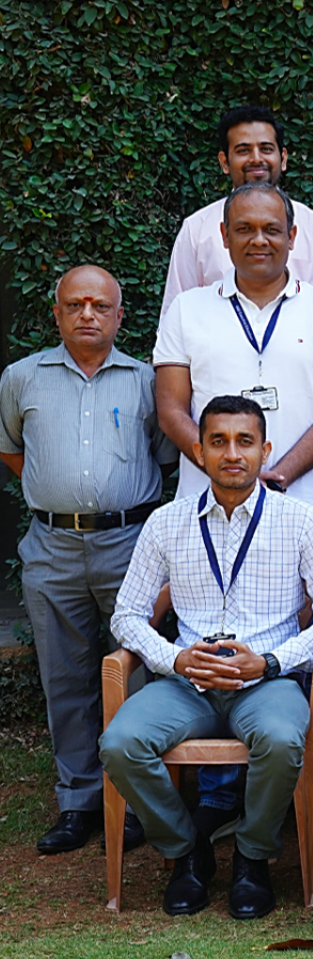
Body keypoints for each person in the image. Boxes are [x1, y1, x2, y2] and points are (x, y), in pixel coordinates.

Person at [100, 396, 313, 919]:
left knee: (284, 739)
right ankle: (186, 852)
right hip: (187, 682)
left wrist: (271, 661)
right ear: (198, 450)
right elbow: (126, 615)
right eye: (218, 441)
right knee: (121, 744)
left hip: (265, 680)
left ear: (266, 450)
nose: (232, 453)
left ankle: (251, 856)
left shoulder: (301, 522)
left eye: (244, 442)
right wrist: (175, 659)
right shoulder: (166, 523)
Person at [154, 181, 313, 836]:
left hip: (303, 501)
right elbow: (171, 409)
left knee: (296, 647)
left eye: (273, 229)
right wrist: (227, 475)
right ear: (224, 237)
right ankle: (219, 796)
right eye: (245, 229)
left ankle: (306, 789)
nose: (260, 240)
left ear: (294, 237)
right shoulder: (189, 308)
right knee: (214, 632)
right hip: (206, 505)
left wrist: (275, 477)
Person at [0, 266, 175, 856]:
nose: (87, 315)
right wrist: (65, 502)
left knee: (141, 675)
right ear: (57, 314)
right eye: (74, 304)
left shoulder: (148, 382)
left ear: (120, 315)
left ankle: (132, 803)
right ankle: (77, 804)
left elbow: (163, 458)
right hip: (51, 549)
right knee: (65, 680)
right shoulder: (21, 379)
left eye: (101, 305)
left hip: (130, 544)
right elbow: (12, 451)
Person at [160, 105, 313, 318]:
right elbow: (175, 319)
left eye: (266, 149)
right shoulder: (197, 229)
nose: (256, 159)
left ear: (283, 158)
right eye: (243, 150)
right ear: (224, 162)